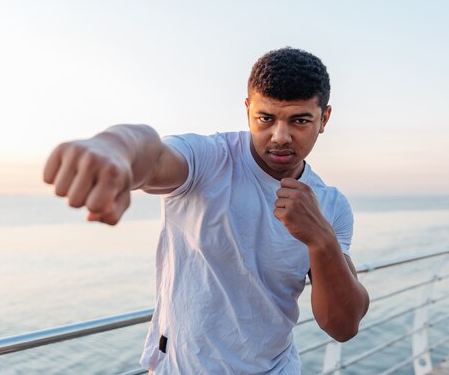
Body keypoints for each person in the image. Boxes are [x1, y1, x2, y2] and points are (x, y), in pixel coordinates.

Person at [43, 47, 369, 374]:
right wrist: (115, 145)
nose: (280, 137)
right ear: (247, 110)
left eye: (299, 120)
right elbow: (154, 155)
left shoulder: (330, 204)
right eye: (265, 118)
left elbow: (342, 325)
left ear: (323, 118)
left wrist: (321, 239)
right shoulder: (210, 158)